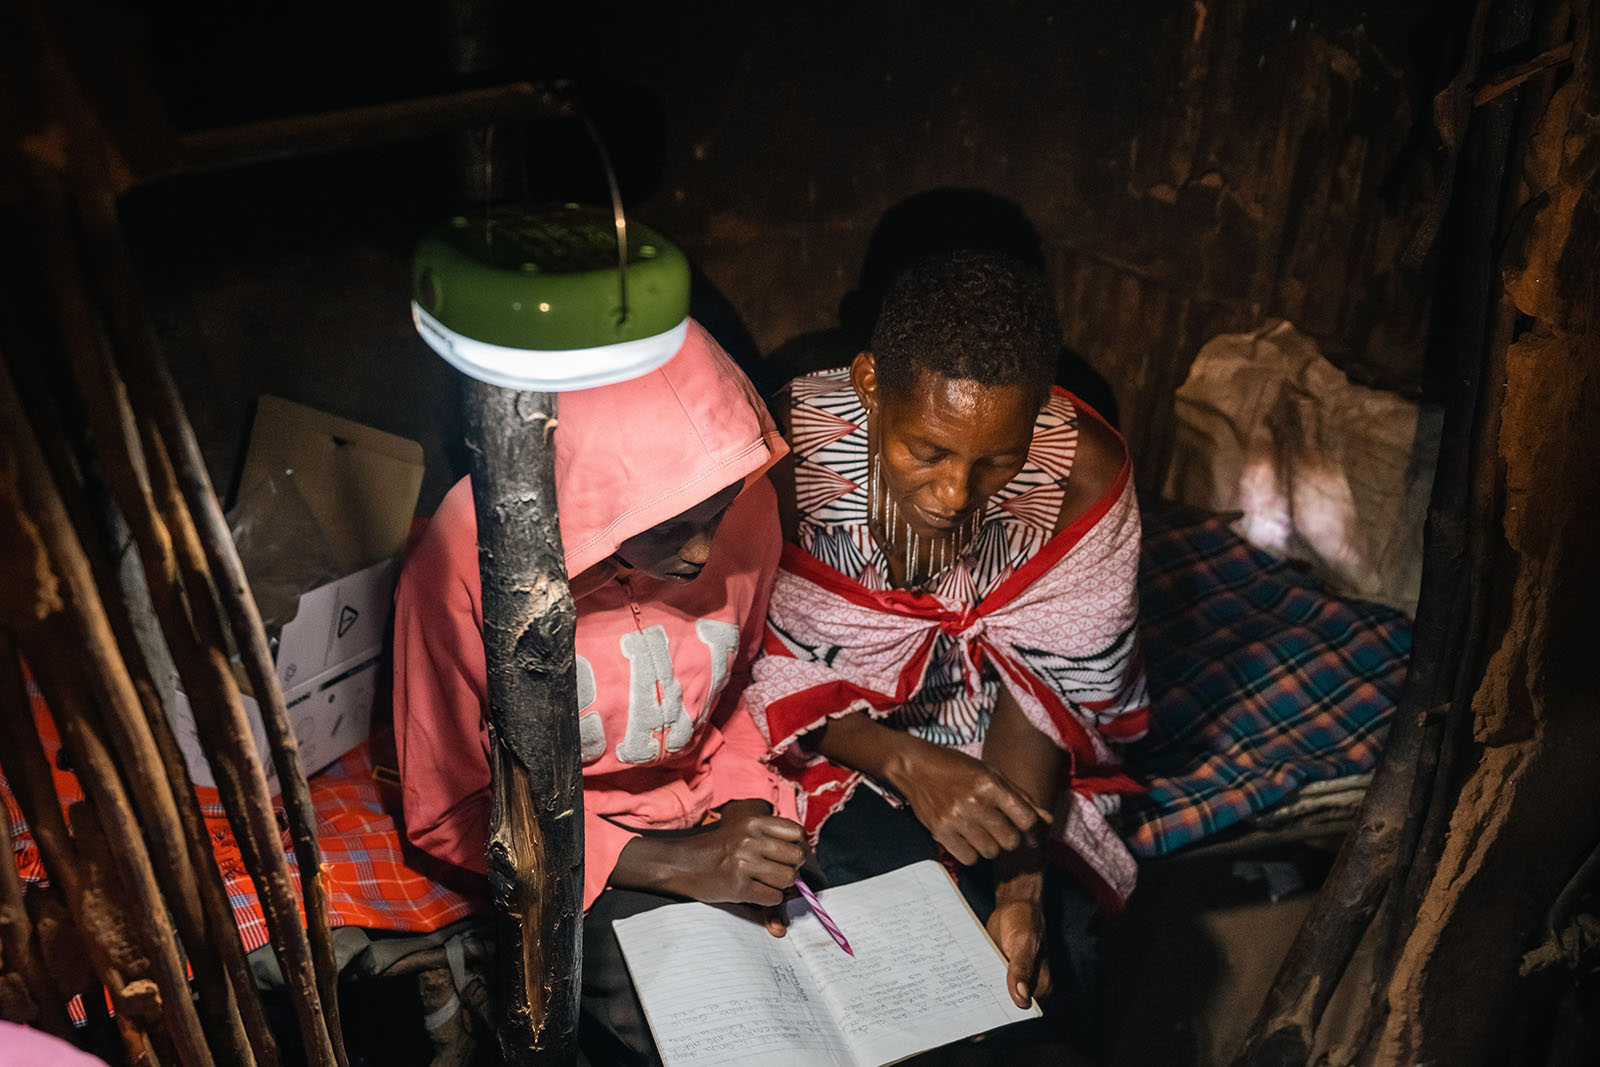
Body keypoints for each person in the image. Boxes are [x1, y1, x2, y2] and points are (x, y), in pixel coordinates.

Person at [747, 250, 1149, 1048]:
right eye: (925, 450)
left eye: (997, 458)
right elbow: (741, 667)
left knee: (1047, 967)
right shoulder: (784, 458)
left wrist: (1021, 884)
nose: (956, 492)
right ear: (869, 384)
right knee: (894, 947)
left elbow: (1048, 682)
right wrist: (905, 763)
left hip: (1011, 743)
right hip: (822, 740)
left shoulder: (1080, 477)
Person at [393, 320, 804, 1066]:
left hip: (712, 813)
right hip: (571, 858)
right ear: (584, 496)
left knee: (812, 986)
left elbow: (745, 687)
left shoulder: (747, 510)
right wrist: (672, 861)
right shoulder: (468, 553)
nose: (703, 551)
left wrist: (747, 802)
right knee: (708, 1024)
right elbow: (450, 804)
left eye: (715, 515)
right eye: (671, 526)